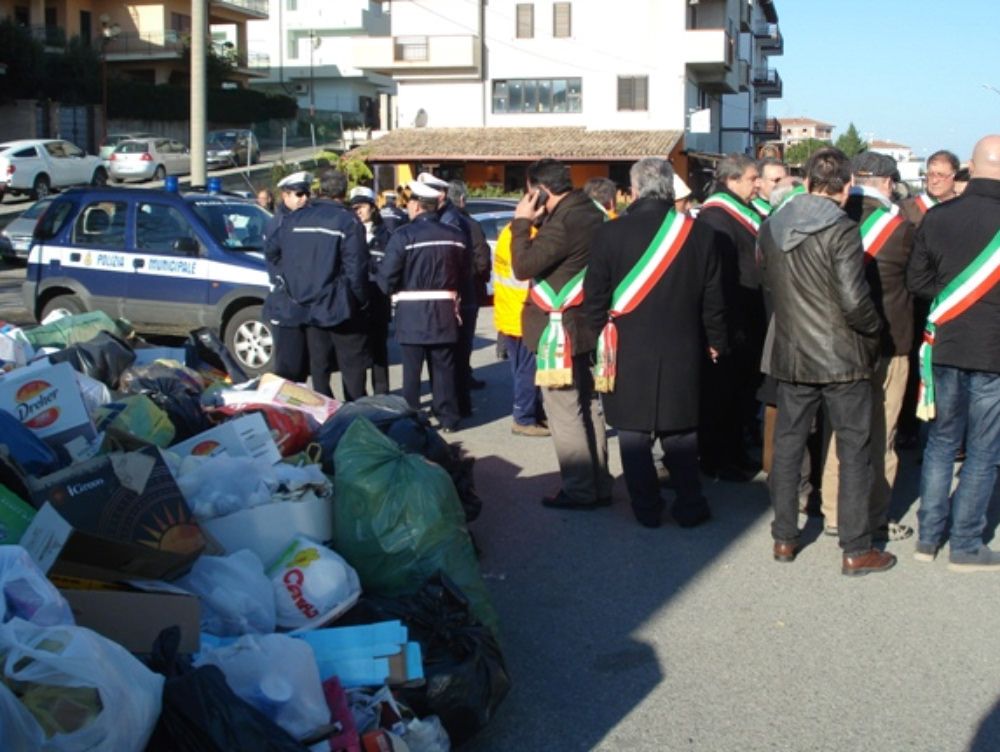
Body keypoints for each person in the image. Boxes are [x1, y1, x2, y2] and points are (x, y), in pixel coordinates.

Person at [759, 147, 895, 576]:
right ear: (848, 185)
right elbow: (855, 301)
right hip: (841, 356)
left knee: (788, 446)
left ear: (807, 181)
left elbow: (768, 283)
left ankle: (784, 536)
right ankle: (856, 548)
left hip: (793, 350)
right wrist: (875, 330)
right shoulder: (841, 227)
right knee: (854, 450)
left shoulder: (773, 222)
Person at [583, 157, 727, 528]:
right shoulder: (701, 234)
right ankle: (690, 505)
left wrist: (598, 339)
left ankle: (646, 509)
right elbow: (714, 299)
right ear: (670, 188)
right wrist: (716, 340)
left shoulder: (610, 233)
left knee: (632, 432)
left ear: (633, 190)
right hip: (683, 346)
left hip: (625, 347)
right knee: (680, 431)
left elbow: (594, 298)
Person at [906, 134, 1000, 571]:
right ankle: (964, 544)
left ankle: (927, 537)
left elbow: (916, 282)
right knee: (983, 450)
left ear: (971, 168)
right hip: (994, 352)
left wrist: (950, 301)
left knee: (941, 443)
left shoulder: (939, 217)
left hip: (944, 344)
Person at [819, 151, 915, 543]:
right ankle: (874, 516)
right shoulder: (901, 228)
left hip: (837, 341)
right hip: (889, 341)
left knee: (838, 429)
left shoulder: (830, 221)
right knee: (881, 431)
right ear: (889, 183)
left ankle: (832, 512)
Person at [511, 158, 614, 509]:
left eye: (529, 192)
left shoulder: (563, 222)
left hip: (560, 328)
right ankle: (599, 482)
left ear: (541, 190)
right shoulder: (590, 210)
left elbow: (523, 266)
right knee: (590, 406)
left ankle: (579, 489)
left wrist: (522, 223)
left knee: (564, 409)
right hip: (586, 321)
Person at [264, 171, 371, 401]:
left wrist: (293, 281)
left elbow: (272, 252)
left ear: (319, 190)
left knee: (319, 369)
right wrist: (360, 302)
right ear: (343, 193)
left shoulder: (294, 219)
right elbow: (357, 269)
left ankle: (326, 415)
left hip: (308, 307)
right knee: (352, 369)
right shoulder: (348, 221)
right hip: (340, 307)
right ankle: (355, 416)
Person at [377, 179, 467, 432]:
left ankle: (412, 420)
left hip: (411, 312)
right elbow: (464, 272)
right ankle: (448, 418)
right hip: (445, 311)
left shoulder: (403, 235)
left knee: (412, 372)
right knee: (443, 368)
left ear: (416, 205)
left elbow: (386, 278)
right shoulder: (456, 237)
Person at [696, 153, 765, 481]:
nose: (759, 186)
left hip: (747, 317)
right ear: (732, 180)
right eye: (753, 179)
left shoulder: (745, 211)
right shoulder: (716, 217)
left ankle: (735, 453)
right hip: (731, 318)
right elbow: (719, 278)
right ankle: (718, 460)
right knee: (722, 396)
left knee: (740, 394)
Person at [493, 217, 548, 437]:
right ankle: (524, 418)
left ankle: (530, 413)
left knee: (520, 369)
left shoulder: (508, 231)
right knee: (528, 371)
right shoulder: (530, 236)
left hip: (508, 312)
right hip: (523, 313)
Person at [350, 185, 393, 395]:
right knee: (356, 353)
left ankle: (382, 393)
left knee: (379, 352)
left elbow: (390, 268)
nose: (358, 211)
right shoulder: (348, 233)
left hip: (377, 300)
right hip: (355, 302)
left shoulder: (386, 235)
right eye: (354, 207)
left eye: (362, 206)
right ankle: (359, 397)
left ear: (372, 207)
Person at [901, 149, 960, 226]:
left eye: (941, 175)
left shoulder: (964, 208)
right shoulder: (907, 209)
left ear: (954, 176)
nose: (934, 181)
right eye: (931, 175)